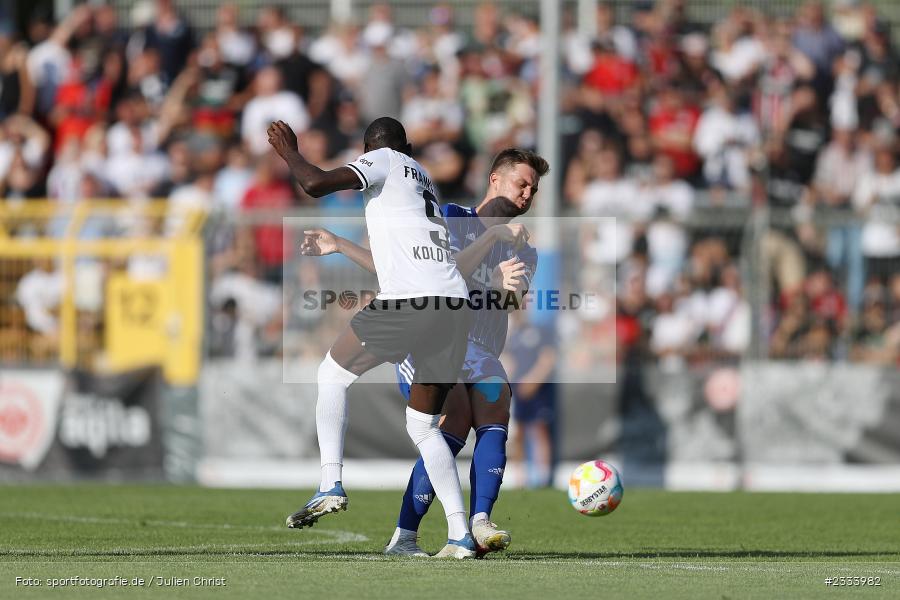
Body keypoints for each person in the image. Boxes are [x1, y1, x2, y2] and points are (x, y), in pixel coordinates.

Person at [300, 148, 549, 556]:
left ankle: (462, 524)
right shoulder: (449, 216)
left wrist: (508, 290)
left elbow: (508, 305)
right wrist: (342, 245)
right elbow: (411, 272)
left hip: (481, 347)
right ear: (494, 180)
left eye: (534, 190)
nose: (527, 195)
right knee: (469, 411)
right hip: (434, 337)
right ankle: (439, 529)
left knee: (483, 404)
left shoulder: (525, 248)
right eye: (522, 184)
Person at [268, 117, 478, 559]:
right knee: (423, 426)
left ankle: (330, 483)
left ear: (369, 149)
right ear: (411, 145)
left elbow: (314, 184)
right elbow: (396, 263)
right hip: (454, 304)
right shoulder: (422, 185)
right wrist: (340, 245)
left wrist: (288, 151)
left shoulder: (383, 160)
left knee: (332, 374)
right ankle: (460, 535)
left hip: (411, 301)